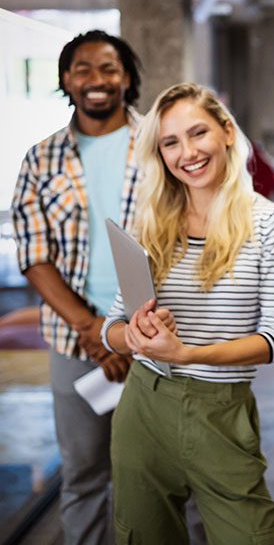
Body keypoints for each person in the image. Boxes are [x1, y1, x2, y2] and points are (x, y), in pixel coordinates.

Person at [101, 83, 274, 544]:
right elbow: (113, 323)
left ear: (226, 131)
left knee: (254, 535)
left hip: (221, 411)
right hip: (144, 405)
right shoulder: (149, 223)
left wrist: (186, 352)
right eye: (170, 142)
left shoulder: (271, 224)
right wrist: (135, 337)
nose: (187, 152)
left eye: (197, 133)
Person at [12, 29, 142, 544]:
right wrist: (95, 330)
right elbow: (34, 257)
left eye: (108, 68)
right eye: (83, 69)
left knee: (171, 474)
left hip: (159, 338)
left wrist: (132, 334)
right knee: (85, 473)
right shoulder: (40, 160)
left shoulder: (161, 143)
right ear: (66, 78)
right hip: (75, 342)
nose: (96, 80)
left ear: (126, 77)